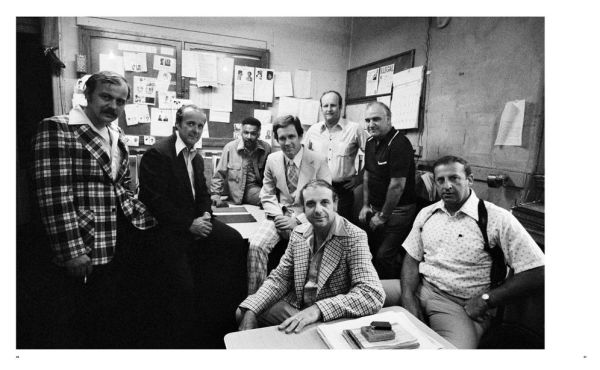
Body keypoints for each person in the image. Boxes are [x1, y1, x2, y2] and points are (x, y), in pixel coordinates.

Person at [31, 71, 157, 348]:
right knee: (85, 315)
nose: (113, 106)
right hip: (86, 238)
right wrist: (72, 250)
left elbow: (120, 183)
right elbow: (54, 196)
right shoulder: (58, 127)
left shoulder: (116, 132)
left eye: (120, 101)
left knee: (114, 308)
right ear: (87, 95)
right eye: (106, 97)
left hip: (122, 234)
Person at [383, 155, 545, 349]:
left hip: (457, 305)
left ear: (470, 180)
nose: (447, 185)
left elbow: (538, 271)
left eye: (454, 178)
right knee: (358, 295)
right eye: (440, 180)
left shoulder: (495, 218)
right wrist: (408, 298)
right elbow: (412, 258)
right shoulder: (427, 213)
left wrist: (487, 300)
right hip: (419, 288)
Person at [138, 104, 247, 348]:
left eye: (200, 125)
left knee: (234, 241)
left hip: (197, 221)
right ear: (177, 124)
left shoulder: (195, 156)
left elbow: (203, 193)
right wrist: (190, 225)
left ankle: (222, 318)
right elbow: (155, 202)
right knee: (183, 287)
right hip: (169, 228)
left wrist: (206, 216)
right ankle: (182, 339)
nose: (196, 130)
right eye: (191, 124)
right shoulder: (158, 154)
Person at [237, 180, 384, 332]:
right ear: (303, 209)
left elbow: (372, 293)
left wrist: (317, 310)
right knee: (243, 314)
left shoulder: (354, 236)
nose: (318, 210)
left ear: (335, 204)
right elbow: (280, 278)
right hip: (297, 306)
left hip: (330, 316)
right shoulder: (298, 233)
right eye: (311, 204)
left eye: (325, 202)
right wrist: (252, 310)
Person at [246, 115, 331, 295]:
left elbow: (324, 202)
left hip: (309, 218)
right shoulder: (273, 159)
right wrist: (278, 217)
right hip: (279, 215)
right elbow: (267, 194)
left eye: (291, 136)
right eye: (282, 138)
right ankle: (256, 302)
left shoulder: (318, 160)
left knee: (307, 254)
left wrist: (297, 221)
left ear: (300, 136)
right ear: (277, 140)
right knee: (256, 246)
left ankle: (303, 301)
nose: (287, 142)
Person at [358, 102, 417, 279]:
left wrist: (383, 216)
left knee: (384, 256)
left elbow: (397, 186)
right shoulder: (370, 142)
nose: (370, 124)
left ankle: (391, 294)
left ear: (389, 119)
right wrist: (365, 205)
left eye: (376, 119)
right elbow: (367, 174)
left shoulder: (400, 143)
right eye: (367, 120)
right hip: (376, 208)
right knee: (370, 251)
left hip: (398, 211)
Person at [303, 90, 367, 220]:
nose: (329, 109)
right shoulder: (313, 130)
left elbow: (373, 155)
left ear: (340, 107)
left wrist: (359, 178)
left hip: (343, 191)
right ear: (321, 108)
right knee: (318, 224)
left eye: (333, 105)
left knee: (340, 227)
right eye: (325, 106)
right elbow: (302, 157)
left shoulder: (354, 129)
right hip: (317, 189)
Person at [210, 117, 272, 207]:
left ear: (259, 133)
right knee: (267, 199)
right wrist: (215, 194)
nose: (249, 137)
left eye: (253, 133)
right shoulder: (230, 147)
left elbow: (271, 175)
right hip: (239, 190)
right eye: (246, 133)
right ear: (241, 132)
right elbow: (219, 174)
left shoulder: (266, 148)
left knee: (278, 197)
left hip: (260, 188)